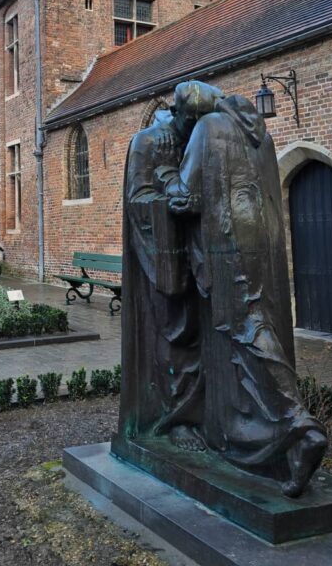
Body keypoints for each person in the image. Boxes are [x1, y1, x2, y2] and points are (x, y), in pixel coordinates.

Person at [165, 93, 327, 497]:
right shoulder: (262, 135)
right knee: (258, 322)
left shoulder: (207, 129)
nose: (182, 123)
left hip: (227, 241)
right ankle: (255, 436)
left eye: (183, 115)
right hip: (264, 240)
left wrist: (169, 178)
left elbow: (186, 198)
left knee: (246, 328)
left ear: (193, 110)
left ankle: (298, 425)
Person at [117, 81, 222, 452]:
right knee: (178, 333)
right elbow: (137, 199)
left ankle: (210, 412)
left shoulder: (207, 136)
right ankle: (178, 419)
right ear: (177, 114)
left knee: (208, 331)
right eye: (190, 122)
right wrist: (168, 198)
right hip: (166, 254)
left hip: (205, 252)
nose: (195, 130)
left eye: (201, 123)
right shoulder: (149, 142)